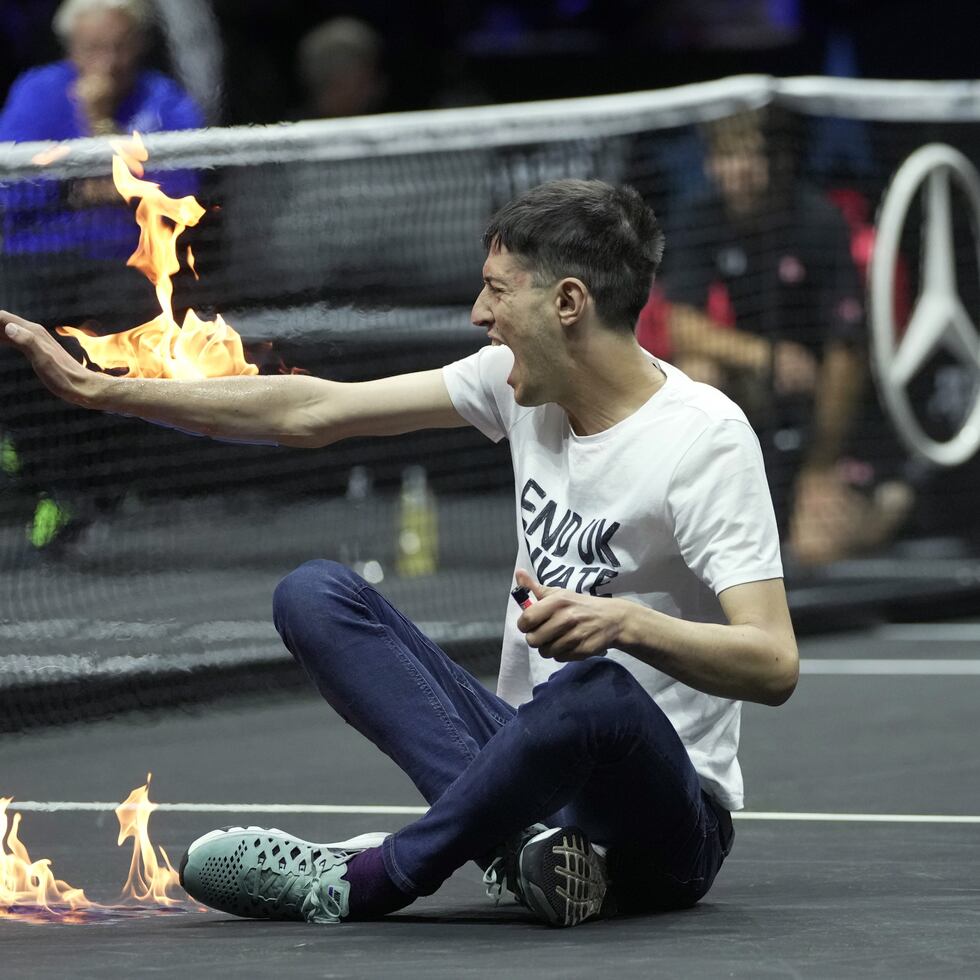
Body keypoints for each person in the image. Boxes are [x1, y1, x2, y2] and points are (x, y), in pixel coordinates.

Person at [1, 179, 799, 927]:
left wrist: (624, 623)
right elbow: (312, 411)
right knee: (314, 594)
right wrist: (102, 390)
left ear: (567, 303)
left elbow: (772, 663)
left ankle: (371, 876)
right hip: (529, 769)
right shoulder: (511, 383)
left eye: (497, 289)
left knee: (597, 694)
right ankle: (523, 855)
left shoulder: (704, 440)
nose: (479, 314)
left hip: (664, 824)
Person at [644, 108, 908, 564]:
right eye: (727, 156)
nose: (739, 169)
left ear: (776, 162)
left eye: (750, 155)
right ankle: (700, 505)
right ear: (710, 163)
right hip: (760, 383)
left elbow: (847, 351)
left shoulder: (818, 221)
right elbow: (679, 325)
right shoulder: (699, 217)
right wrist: (767, 356)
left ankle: (892, 501)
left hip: (826, 398)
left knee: (815, 548)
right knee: (698, 373)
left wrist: (822, 463)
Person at [0, 0, 204, 549]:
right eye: (94, 49)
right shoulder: (39, 92)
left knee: (126, 339)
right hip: (29, 264)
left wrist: (100, 129)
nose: (107, 62)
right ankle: (48, 480)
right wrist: (75, 186)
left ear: (137, 45)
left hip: (125, 269)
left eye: (118, 47)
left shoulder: (163, 100)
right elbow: (5, 192)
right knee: (13, 327)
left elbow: (182, 193)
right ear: (71, 48)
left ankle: (88, 490)